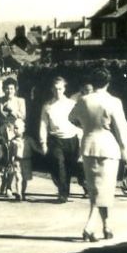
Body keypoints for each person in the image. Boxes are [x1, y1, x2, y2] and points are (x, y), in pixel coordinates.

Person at [69, 67, 127, 241]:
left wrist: (84, 126)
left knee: (96, 189)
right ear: (108, 82)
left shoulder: (83, 100)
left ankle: (107, 226)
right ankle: (90, 227)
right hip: (108, 146)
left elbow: (71, 117)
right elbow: (121, 129)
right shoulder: (113, 101)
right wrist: (126, 151)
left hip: (88, 145)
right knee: (104, 189)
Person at [37, 75, 82, 203]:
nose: (58, 92)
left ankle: (65, 191)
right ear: (52, 89)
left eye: (60, 89)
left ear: (65, 89)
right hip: (55, 140)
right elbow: (43, 124)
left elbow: (79, 123)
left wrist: (81, 137)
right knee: (58, 164)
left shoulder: (72, 104)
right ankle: (62, 193)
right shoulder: (47, 106)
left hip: (72, 139)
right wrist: (43, 143)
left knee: (68, 167)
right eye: (55, 89)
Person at [0, 76, 30, 200]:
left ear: (15, 89)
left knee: (11, 161)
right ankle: (4, 180)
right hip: (0, 133)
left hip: (14, 133)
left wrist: (13, 111)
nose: (9, 91)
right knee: (1, 160)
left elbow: (23, 117)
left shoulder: (20, 101)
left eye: (11, 88)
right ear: (3, 89)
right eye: (7, 88)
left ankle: (9, 187)